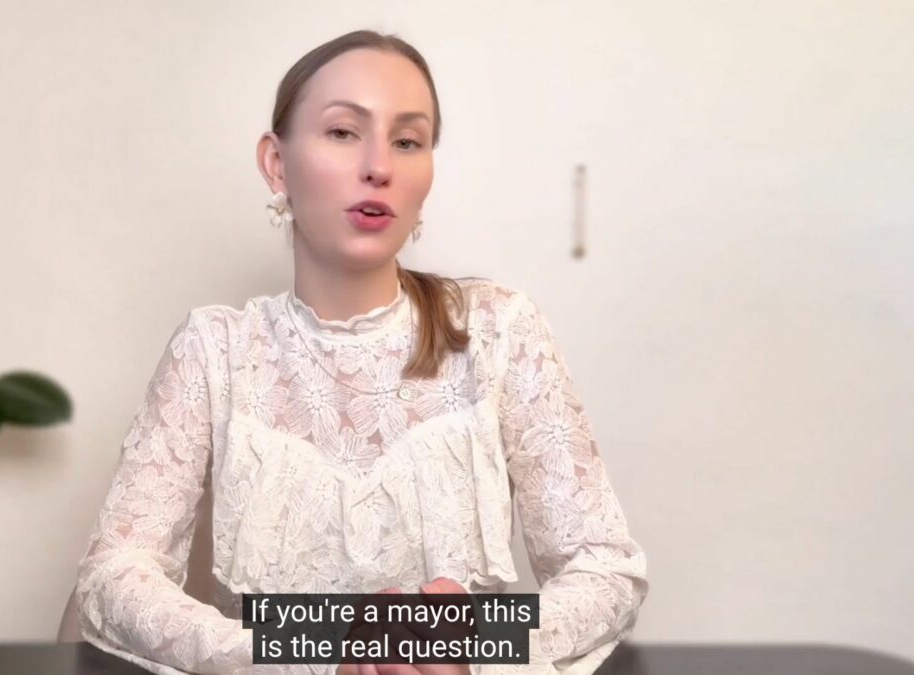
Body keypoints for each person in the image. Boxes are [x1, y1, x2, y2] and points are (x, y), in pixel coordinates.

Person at [74, 29, 649, 675]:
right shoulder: (214, 350)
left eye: (408, 141)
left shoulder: (498, 330)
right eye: (344, 132)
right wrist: (308, 652)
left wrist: (479, 643)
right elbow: (114, 575)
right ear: (276, 164)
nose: (380, 166)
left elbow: (605, 568)